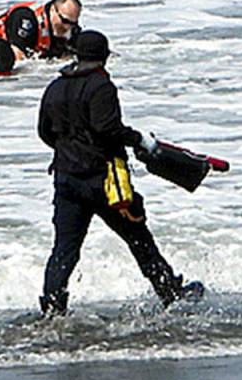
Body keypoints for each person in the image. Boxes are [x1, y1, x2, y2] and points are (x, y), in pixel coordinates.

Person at [36, 30, 202, 317]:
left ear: (78, 54)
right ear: (103, 57)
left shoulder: (55, 87)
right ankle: (170, 293)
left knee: (64, 248)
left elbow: (45, 132)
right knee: (138, 237)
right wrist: (139, 139)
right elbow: (107, 129)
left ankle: (52, 307)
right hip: (104, 180)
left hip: (65, 179)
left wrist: (69, 151)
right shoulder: (101, 84)